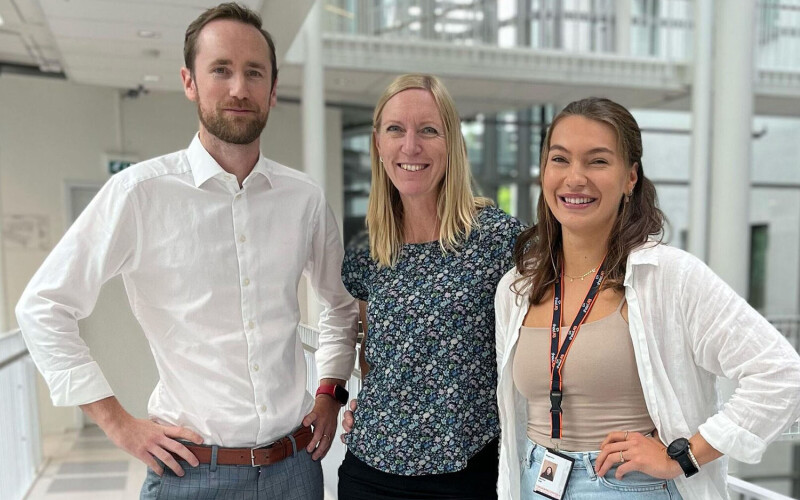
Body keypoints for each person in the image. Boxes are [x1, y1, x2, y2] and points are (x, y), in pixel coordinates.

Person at [15, 3, 357, 499]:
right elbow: (43, 307)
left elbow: (339, 306)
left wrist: (330, 393)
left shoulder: (303, 198)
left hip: (295, 470)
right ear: (189, 81)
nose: (239, 88)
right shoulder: (140, 193)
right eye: (221, 70)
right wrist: (118, 424)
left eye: (253, 73)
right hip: (193, 476)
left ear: (273, 89)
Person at [495, 97, 800, 500]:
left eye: (598, 161)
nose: (575, 178)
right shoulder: (517, 287)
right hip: (537, 481)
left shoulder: (668, 276)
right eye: (560, 159)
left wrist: (685, 455)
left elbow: (782, 374)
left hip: (632, 488)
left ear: (630, 177)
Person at [336, 73, 525, 500]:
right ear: (378, 144)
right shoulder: (369, 248)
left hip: (466, 474)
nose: (410, 146)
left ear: (452, 143)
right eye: (395, 130)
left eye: (428, 131)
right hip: (368, 472)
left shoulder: (501, 241)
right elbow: (372, 354)